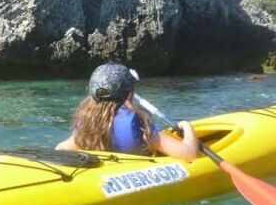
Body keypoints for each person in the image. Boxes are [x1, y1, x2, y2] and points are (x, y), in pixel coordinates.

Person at [55, 62, 199, 160]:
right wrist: (187, 126)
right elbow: (189, 154)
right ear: (129, 94)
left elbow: (61, 149)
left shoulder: (87, 123)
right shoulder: (139, 123)